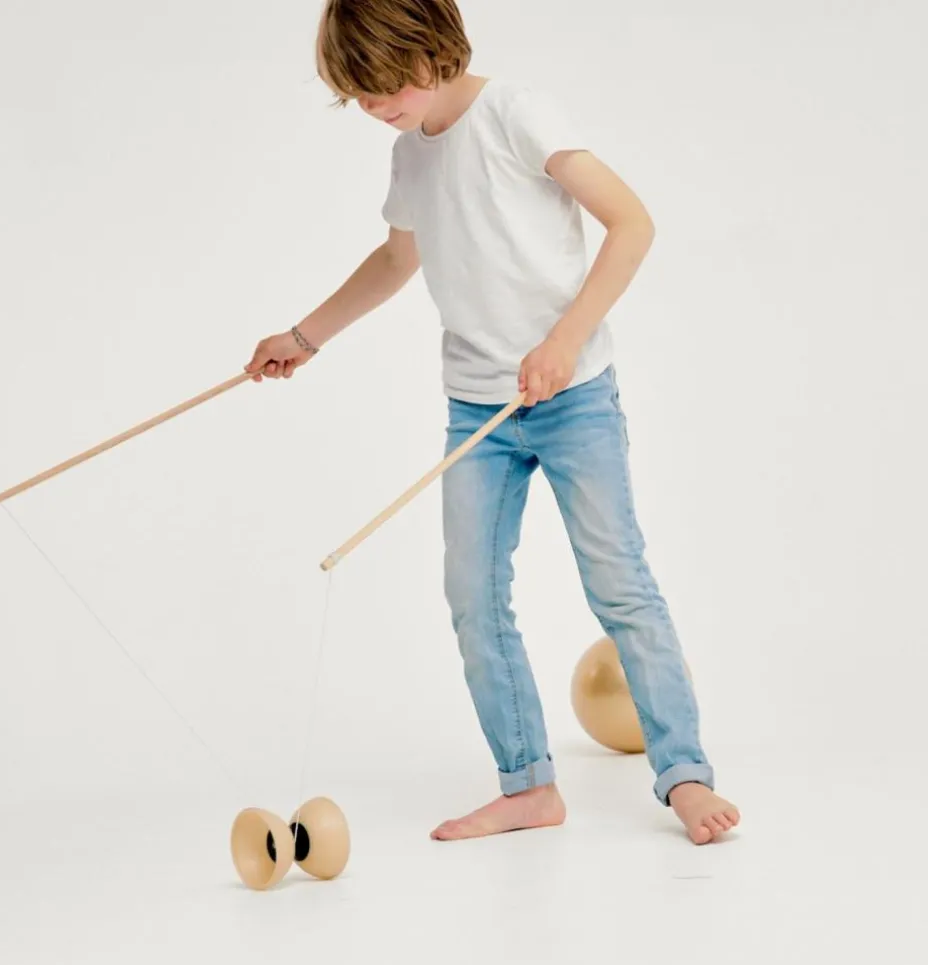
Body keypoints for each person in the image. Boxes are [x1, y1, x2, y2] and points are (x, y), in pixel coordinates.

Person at [245, 0, 740, 846]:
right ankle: (528, 786)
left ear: (429, 51)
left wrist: (565, 340)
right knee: (472, 596)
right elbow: (397, 258)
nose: (374, 107)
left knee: (619, 584)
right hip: (479, 410)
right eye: (359, 96)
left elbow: (632, 223)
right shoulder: (411, 151)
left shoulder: (517, 111)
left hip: (574, 397)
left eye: (384, 87)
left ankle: (684, 774)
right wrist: (305, 337)